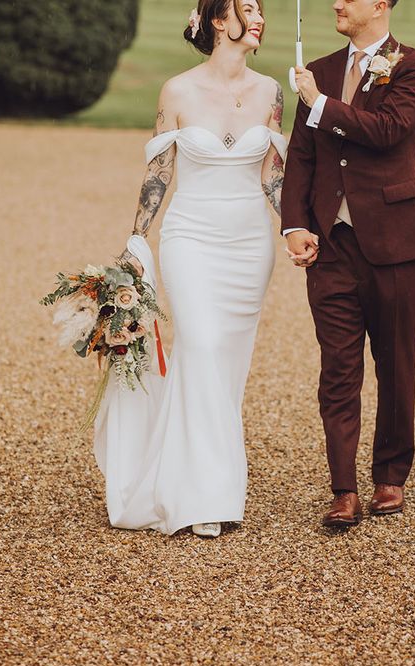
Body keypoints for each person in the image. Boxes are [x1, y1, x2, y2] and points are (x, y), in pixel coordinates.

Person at [94, 0, 286, 538]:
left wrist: (295, 227)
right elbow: (159, 173)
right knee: (199, 345)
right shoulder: (177, 91)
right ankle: (210, 496)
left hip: (250, 246)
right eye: (247, 8)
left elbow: (274, 176)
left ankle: (189, 481)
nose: (259, 16)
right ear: (219, 22)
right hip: (192, 239)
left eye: (261, 8)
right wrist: (137, 237)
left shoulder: (273, 92)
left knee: (225, 365)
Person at [281, 0, 415, 527]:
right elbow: (302, 155)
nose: (336, 3)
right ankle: (343, 488)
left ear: (380, 5)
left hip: (395, 243)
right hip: (331, 247)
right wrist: (295, 224)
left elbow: (387, 130)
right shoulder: (320, 71)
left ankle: (390, 477)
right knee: (338, 371)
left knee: (395, 364)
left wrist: (318, 103)